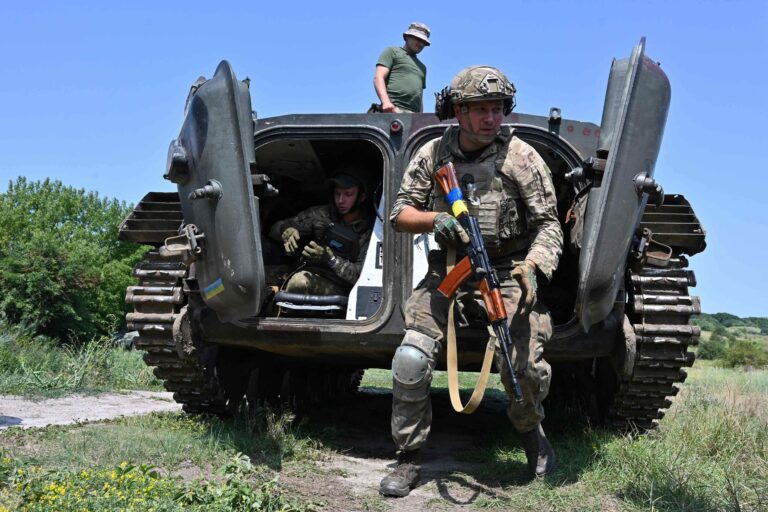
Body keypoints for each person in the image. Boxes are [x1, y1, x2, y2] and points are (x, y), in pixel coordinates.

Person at [379, 66, 563, 497]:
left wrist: (533, 267)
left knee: (523, 369)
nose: (491, 118)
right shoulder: (433, 153)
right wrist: (435, 219)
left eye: (497, 109)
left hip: (508, 271)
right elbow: (400, 213)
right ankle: (408, 457)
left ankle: (531, 434)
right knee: (410, 358)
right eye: (480, 109)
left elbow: (549, 225)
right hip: (450, 269)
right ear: (458, 112)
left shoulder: (521, 157)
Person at [268, 169, 374, 298]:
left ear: (362, 197)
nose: (341, 200)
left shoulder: (370, 230)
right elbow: (274, 230)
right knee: (258, 275)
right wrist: (285, 230)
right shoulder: (322, 214)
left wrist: (330, 259)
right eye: (337, 193)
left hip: (340, 286)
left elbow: (361, 276)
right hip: (307, 270)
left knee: (299, 282)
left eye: (348, 194)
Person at [372, 22, 430, 113]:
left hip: (413, 115)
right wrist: (386, 102)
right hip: (393, 110)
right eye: (418, 39)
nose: (421, 44)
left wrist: (421, 117)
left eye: (424, 42)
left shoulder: (422, 67)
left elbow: (419, 95)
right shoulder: (392, 52)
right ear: (407, 37)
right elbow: (378, 77)